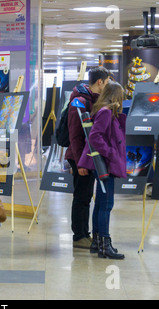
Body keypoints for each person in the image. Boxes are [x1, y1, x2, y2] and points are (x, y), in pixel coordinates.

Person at [77, 81, 126, 259]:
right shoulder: (105, 112)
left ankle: (98, 242)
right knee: (105, 204)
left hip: (103, 163)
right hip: (105, 164)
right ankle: (104, 244)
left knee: (100, 204)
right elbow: (95, 137)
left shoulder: (103, 111)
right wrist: (111, 154)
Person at [65, 66, 111, 249]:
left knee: (86, 195)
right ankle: (79, 236)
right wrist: (79, 161)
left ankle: (85, 233)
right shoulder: (79, 101)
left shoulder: (93, 100)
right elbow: (75, 134)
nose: (107, 86)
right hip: (79, 157)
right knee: (81, 196)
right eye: (107, 82)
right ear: (100, 82)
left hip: (88, 156)